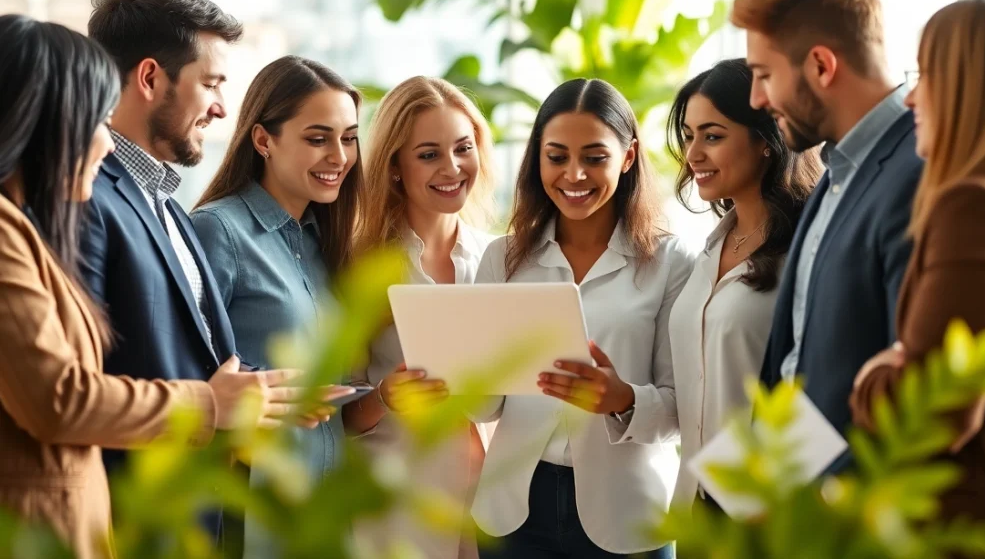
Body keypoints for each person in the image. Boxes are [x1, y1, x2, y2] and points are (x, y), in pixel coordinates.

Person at [0, 15, 319, 559]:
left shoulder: (161, 203)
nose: (105, 142)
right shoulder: (20, 229)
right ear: (47, 120)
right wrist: (209, 404)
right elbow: (60, 397)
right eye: (94, 117)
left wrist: (256, 395)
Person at [81, 0, 332, 532]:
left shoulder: (170, 207)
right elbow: (79, 384)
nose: (221, 108)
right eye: (211, 84)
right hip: (132, 520)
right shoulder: (88, 200)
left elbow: (191, 358)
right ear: (150, 78)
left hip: (199, 517)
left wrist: (268, 391)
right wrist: (207, 404)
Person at [471, 79, 692, 559]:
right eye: (557, 156)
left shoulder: (671, 263)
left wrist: (624, 399)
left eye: (594, 157)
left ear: (628, 157)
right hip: (514, 513)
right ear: (537, 159)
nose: (574, 174)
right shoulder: (502, 259)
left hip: (628, 513)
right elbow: (485, 406)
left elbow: (684, 407)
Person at [732, 0, 923, 469]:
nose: (756, 99)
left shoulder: (917, 177)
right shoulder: (837, 171)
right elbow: (801, 365)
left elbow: (910, 401)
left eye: (764, 75)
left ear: (820, 65)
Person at [850, 0, 985, 556]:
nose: (911, 96)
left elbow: (935, 412)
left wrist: (875, 373)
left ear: (975, 88)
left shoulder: (976, 207)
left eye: (926, 75)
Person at [191, 56, 364, 556]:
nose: (339, 156)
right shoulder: (218, 230)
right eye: (318, 138)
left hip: (319, 505)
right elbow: (186, 369)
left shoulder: (324, 241)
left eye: (349, 138)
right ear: (264, 140)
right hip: (251, 507)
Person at [342, 76, 495, 559]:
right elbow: (337, 416)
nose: (452, 167)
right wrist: (385, 396)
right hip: (395, 509)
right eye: (429, 154)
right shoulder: (362, 265)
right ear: (394, 167)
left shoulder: (500, 259)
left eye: (463, 148)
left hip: (485, 504)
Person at [664, 59, 820, 510]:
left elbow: (825, 386)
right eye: (689, 136)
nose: (693, 154)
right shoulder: (709, 250)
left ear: (766, 141)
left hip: (767, 507)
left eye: (712, 136)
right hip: (695, 503)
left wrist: (769, 496)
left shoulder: (806, 252)